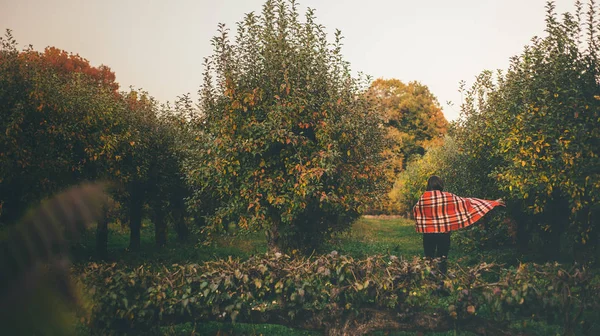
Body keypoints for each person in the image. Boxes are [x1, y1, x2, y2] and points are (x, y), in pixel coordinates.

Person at [413, 175, 504, 275]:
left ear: (429, 185)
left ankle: (429, 279)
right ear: (440, 184)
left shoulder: (423, 198)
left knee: (429, 257)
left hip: (428, 233)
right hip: (444, 233)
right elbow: (467, 202)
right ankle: (442, 279)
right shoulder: (448, 196)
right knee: (442, 257)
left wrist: (426, 222)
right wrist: (493, 203)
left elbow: (416, 210)